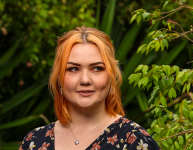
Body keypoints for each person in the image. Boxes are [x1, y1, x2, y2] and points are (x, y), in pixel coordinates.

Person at [19, 26, 159, 150]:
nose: (85, 80)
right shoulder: (34, 142)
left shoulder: (134, 141)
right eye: (73, 69)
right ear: (59, 78)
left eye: (97, 68)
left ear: (110, 76)